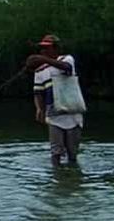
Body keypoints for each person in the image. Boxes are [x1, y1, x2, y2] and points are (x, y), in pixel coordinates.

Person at [25, 34, 84, 167]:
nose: (43, 51)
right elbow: (38, 92)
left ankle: (71, 176)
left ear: (56, 48)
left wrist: (43, 59)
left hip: (73, 113)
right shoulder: (39, 71)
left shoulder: (67, 59)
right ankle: (58, 178)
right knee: (55, 152)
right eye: (41, 49)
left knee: (72, 154)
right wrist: (39, 108)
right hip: (54, 114)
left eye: (47, 48)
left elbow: (66, 68)